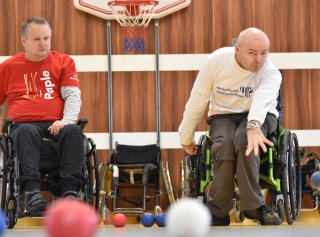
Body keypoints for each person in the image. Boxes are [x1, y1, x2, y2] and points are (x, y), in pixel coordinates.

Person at [178, 27, 282, 225]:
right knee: (224, 143)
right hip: (223, 115)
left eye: (264, 53)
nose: (259, 59)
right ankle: (218, 211)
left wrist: (253, 125)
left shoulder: (271, 72)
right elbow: (198, 99)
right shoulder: (216, 62)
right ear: (237, 49)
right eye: (252, 53)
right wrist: (186, 137)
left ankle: (254, 207)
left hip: (261, 116)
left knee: (245, 139)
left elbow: (262, 101)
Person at [0, 17, 84, 212]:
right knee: (25, 131)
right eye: (37, 39)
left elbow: (73, 96)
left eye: (47, 38)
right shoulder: (7, 67)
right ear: (23, 41)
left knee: (73, 131)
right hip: (23, 124)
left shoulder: (64, 62)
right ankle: (31, 191)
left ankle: (70, 192)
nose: (43, 43)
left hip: (57, 123)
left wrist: (66, 121)